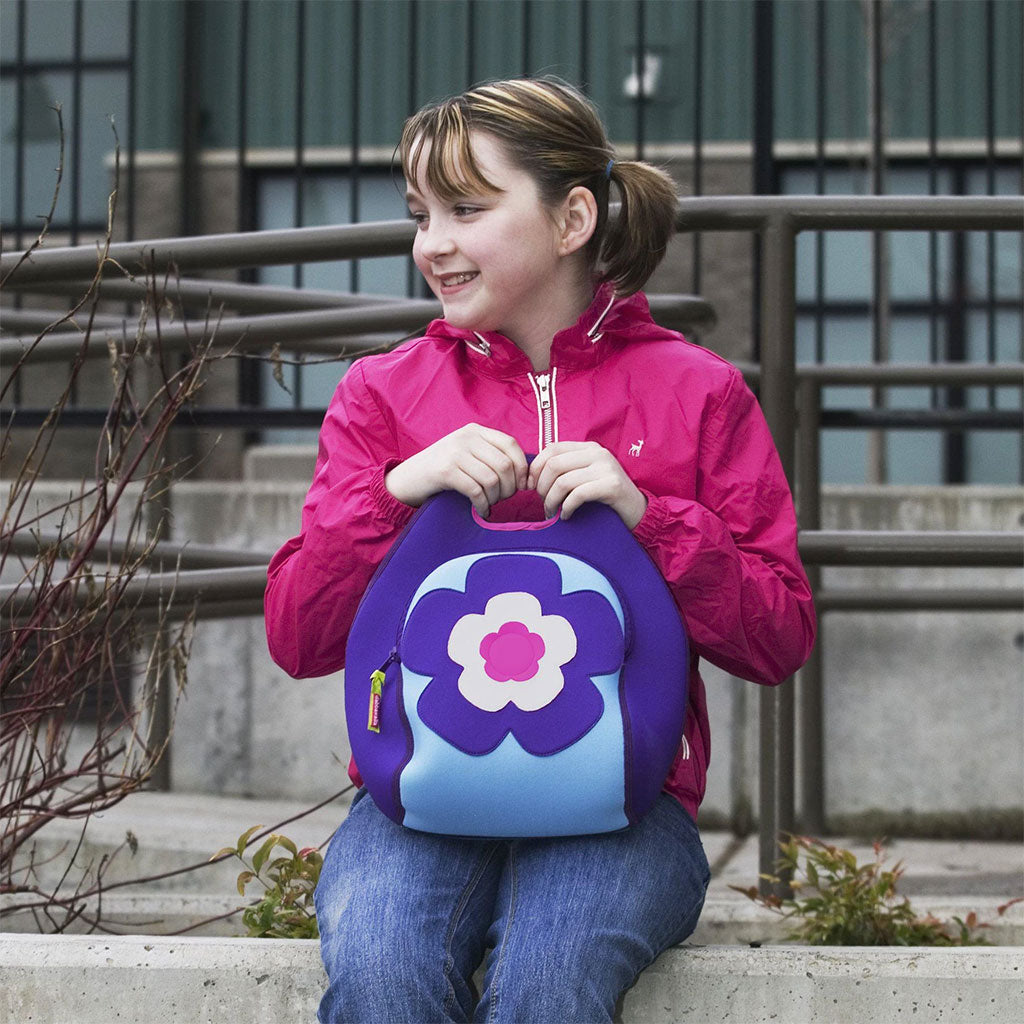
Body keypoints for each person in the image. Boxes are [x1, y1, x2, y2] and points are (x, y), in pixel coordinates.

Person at [264, 77, 816, 1024]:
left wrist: (651, 517)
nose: (431, 242)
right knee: (382, 971)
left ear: (571, 219)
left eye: (468, 209)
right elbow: (299, 636)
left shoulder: (699, 391)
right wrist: (397, 492)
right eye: (421, 214)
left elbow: (776, 637)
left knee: (550, 982)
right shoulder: (382, 395)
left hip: (630, 803)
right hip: (416, 800)